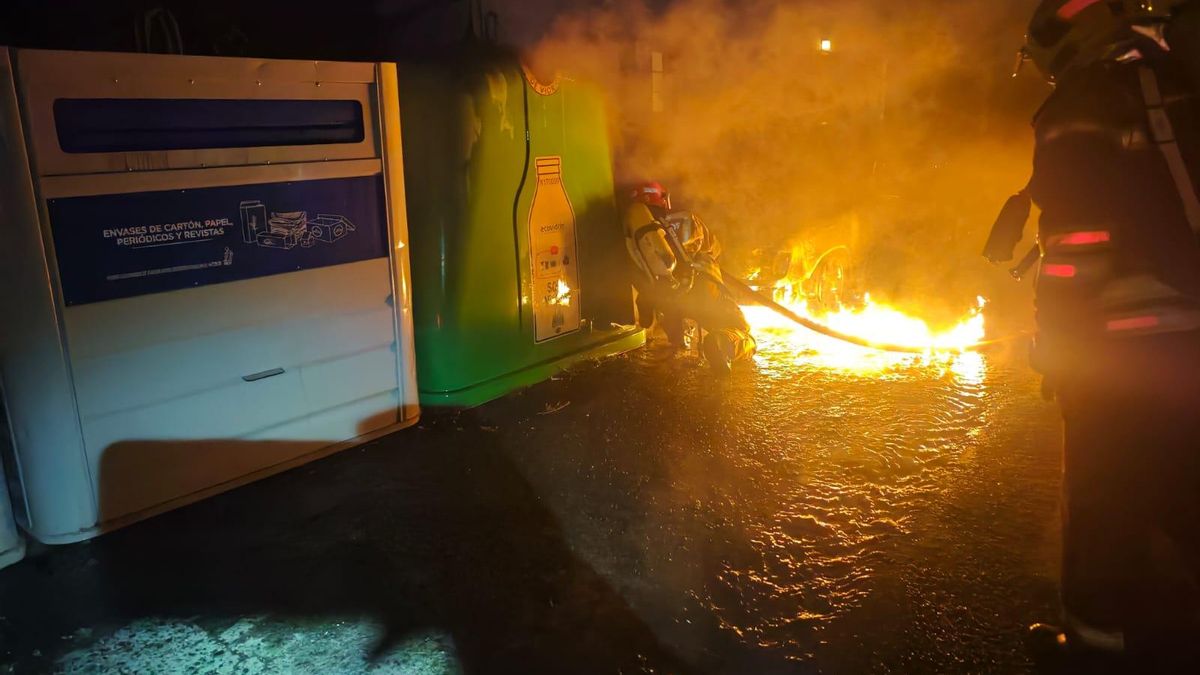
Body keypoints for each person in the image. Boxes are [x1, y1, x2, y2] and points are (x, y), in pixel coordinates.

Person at [1007, 0, 1200, 661]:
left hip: (1122, 346)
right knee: (1186, 484)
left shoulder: (1080, 104)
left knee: (1101, 504)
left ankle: (1093, 648)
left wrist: (1055, 343)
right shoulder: (1175, 81)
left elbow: (1075, 243)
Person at [622, 182, 756, 374]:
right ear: (662, 199)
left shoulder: (634, 237)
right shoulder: (686, 220)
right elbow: (714, 249)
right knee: (740, 329)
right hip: (702, 291)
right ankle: (720, 344)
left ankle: (678, 349)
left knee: (676, 342)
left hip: (665, 300)